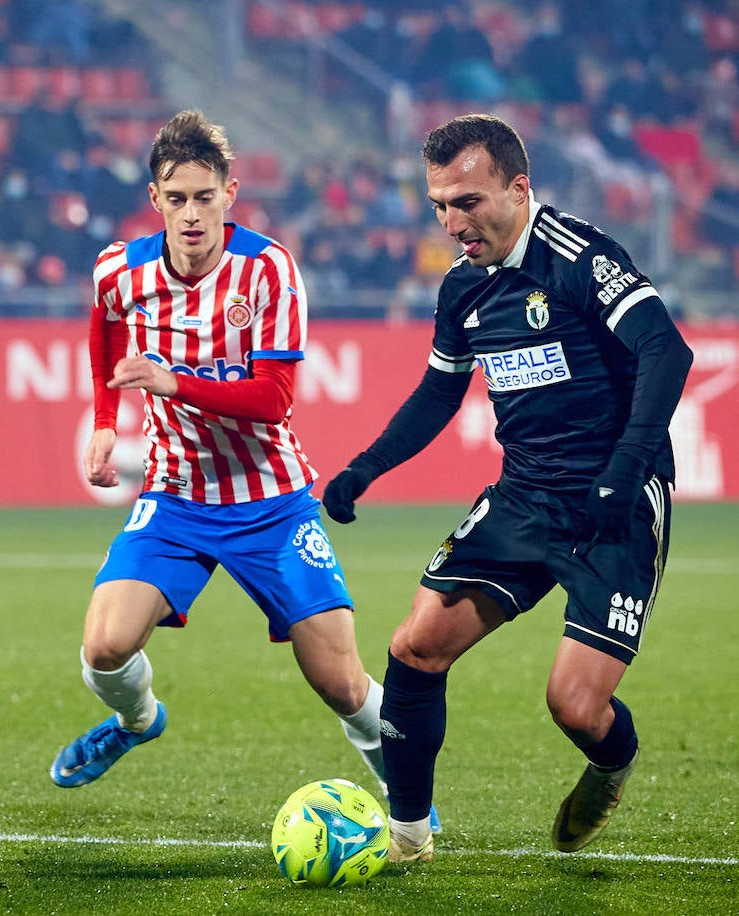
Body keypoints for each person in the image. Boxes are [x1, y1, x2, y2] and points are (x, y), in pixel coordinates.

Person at [322, 114, 693, 863]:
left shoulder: (579, 257)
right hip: (524, 496)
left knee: (575, 706)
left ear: (518, 188)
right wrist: (365, 466)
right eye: (438, 205)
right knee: (415, 648)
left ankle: (611, 764)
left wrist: (624, 472)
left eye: (468, 202)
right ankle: (408, 835)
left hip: (612, 501)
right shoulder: (464, 288)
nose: (453, 222)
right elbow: (436, 395)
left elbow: (666, 350)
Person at [48, 110, 411, 812]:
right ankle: (137, 720)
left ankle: (411, 801)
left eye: (204, 198)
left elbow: (273, 400)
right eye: (176, 198)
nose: (190, 214)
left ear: (230, 193)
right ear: (154, 199)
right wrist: (103, 421)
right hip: (176, 497)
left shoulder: (267, 270)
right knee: (104, 647)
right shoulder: (120, 270)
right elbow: (104, 328)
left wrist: (170, 381)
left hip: (271, 500)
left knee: (340, 681)